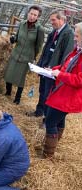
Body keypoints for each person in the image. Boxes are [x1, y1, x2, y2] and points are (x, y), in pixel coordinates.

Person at [42, 22, 82, 158]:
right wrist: (53, 69)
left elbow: (79, 80)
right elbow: (66, 65)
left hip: (69, 95)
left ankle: (48, 152)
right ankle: (54, 142)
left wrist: (59, 75)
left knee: (50, 121)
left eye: (77, 35)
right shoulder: (77, 51)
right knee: (59, 119)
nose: (74, 38)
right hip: (63, 91)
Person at [27, 9, 74, 117]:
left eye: (53, 20)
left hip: (54, 71)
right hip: (46, 68)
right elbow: (46, 49)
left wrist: (59, 71)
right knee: (42, 90)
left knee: (50, 93)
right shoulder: (54, 31)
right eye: (51, 20)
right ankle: (39, 111)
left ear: (62, 19)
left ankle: (46, 118)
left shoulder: (68, 34)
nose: (51, 22)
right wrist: (40, 64)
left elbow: (66, 55)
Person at [4, 5, 45, 105]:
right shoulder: (22, 24)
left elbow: (38, 46)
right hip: (16, 53)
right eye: (31, 13)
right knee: (9, 73)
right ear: (28, 13)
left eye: (35, 15)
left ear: (38, 17)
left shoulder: (40, 29)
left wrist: (33, 57)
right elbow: (17, 37)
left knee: (21, 78)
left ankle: (17, 98)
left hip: (27, 56)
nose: (32, 16)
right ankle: (8, 92)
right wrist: (13, 39)